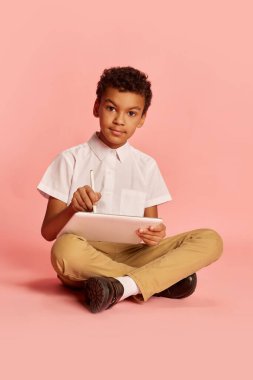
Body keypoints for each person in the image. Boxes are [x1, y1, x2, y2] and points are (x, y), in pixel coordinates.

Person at [37, 66, 223, 313]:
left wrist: (155, 236)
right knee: (64, 250)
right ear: (97, 107)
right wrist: (73, 207)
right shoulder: (70, 160)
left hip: (133, 254)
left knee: (211, 239)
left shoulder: (146, 166)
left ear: (142, 118)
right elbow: (48, 232)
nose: (119, 120)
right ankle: (158, 283)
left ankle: (119, 287)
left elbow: (151, 234)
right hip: (86, 257)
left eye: (132, 113)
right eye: (111, 108)